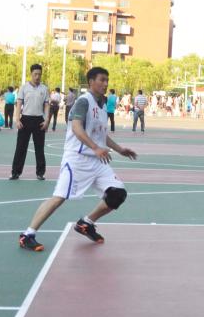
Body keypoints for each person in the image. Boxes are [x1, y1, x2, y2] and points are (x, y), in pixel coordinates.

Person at [17, 67, 138, 252]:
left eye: (107, 80)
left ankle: (86, 223)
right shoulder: (83, 101)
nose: (105, 83)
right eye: (102, 80)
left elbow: (100, 134)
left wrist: (120, 149)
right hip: (77, 159)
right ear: (91, 82)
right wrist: (95, 148)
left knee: (118, 194)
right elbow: (76, 127)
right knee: (59, 198)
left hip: (97, 161)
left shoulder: (102, 104)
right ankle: (27, 235)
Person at [10, 64, 49, 181]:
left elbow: (46, 105)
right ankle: (15, 172)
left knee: (39, 148)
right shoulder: (24, 88)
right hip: (25, 120)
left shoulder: (44, 89)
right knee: (20, 147)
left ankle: (40, 173)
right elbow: (19, 104)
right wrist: (17, 119)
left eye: (39, 74)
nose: (37, 76)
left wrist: (47, 120)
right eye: (35, 74)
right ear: (31, 74)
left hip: (39, 121)